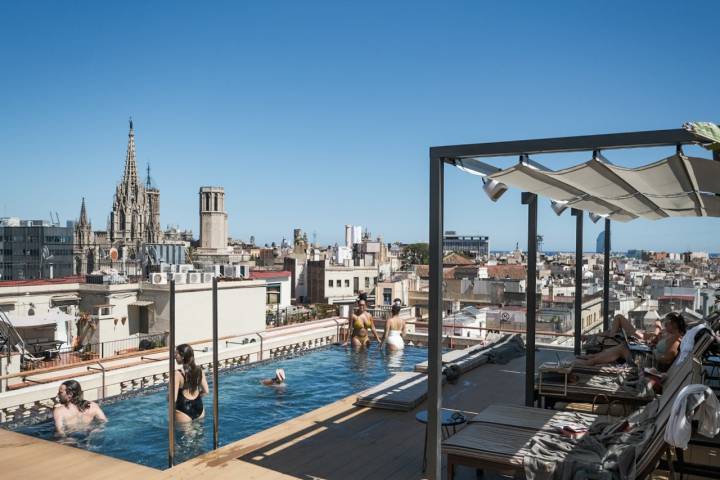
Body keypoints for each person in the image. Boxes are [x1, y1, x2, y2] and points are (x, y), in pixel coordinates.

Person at [575, 312, 686, 372]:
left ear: (675, 325)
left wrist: (653, 351)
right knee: (624, 345)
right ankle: (592, 358)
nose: (666, 324)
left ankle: (592, 360)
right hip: (649, 357)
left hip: (650, 364)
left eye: (668, 322)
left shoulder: (676, 341)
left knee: (623, 347)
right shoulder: (670, 336)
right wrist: (652, 346)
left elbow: (666, 360)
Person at [174, 344, 209, 423]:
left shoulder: (177, 374)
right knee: (199, 434)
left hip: (183, 410)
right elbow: (206, 391)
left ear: (182, 356)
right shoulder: (199, 370)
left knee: (185, 435)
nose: (175, 356)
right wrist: (195, 399)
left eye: (176, 354)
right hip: (199, 406)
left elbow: (173, 399)